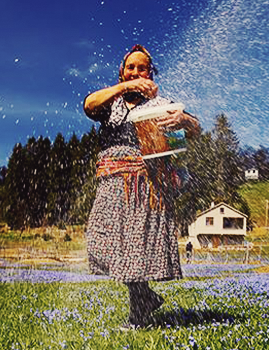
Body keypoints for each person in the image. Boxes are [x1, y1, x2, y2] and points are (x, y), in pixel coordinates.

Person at [83, 45, 200, 329]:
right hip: (112, 180)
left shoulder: (162, 104)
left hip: (146, 182)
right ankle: (145, 298)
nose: (136, 72)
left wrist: (183, 120)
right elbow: (88, 104)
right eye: (130, 68)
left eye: (142, 68)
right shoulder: (111, 102)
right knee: (100, 241)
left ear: (151, 73)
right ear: (122, 73)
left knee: (135, 247)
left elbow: (195, 128)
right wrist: (125, 87)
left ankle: (139, 314)